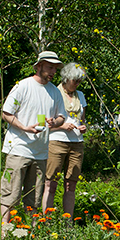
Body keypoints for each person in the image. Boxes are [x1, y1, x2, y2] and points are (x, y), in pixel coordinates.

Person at [0, 51, 66, 224]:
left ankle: (31, 232)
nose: (53, 71)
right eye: (50, 67)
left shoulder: (55, 92)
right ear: (38, 66)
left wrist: (55, 122)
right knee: (10, 194)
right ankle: (4, 233)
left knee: (34, 197)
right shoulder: (23, 86)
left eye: (55, 68)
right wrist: (24, 128)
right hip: (19, 147)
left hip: (41, 152)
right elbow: (6, 113)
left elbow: (62, 117)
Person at [42, 62, 87, 218]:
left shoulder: (80, 96)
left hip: (77, 144)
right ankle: (46, 221)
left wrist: (83, 127)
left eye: (80, 81)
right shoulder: (53, 93)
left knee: (71, 185)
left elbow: (83, 119)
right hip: (56, 142)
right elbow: (44, 123)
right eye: (75, 80)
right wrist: (61, 126)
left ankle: (68, 222)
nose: (77, 84)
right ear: (66, 78)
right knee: (51, 182)